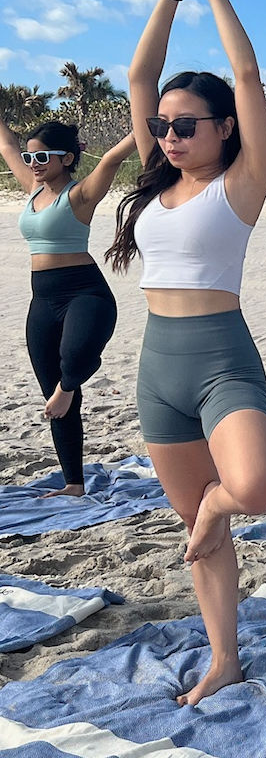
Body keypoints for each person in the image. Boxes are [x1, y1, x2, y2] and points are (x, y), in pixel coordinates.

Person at [107, 0, 266, 707]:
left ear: (225, 130)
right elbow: (140, 75)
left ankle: (213, 504)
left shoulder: (242, 182)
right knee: (200, 539)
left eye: (187, 126)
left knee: (250, 491)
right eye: (163, 127)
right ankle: (224, 659)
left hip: (220, 358)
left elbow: (245, 71)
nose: (170, 135)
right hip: (158, 368)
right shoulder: (155, 177)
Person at [0, 113, 136, 494]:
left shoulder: (79, 195)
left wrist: (152, 123)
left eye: (43, 158)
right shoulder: (32, 187)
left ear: (68, 158)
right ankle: (73, 483)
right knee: (55, 398)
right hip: (42, 298)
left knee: (74, 361)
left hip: (84, 293)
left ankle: (70, 384)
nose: (34, 166)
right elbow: (6, 145)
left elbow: (112, 159)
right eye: (30, 159)